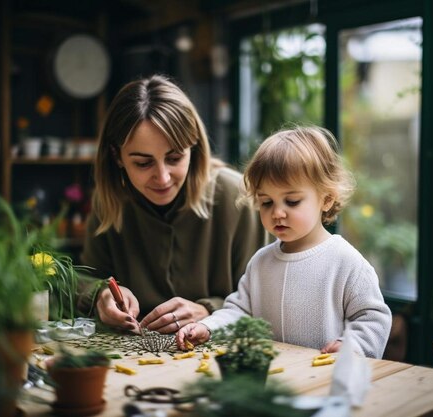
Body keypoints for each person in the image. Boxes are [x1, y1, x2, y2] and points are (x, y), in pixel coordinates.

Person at [176, 126, 392, 358]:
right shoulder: (261, 261)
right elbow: (239, 311)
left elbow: (373, 318)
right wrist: (208, 327)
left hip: (324, 380)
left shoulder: (346, 262)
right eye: (267, 202)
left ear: (326, 199)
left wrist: (353, 346)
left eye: (292, 201)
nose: (277, 212)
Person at [77, 75, 267, 334]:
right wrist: (101, 296)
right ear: (116, 156)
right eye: (143, 163)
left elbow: (264, 301)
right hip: (136, 361)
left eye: (175, 158)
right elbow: (85, 279)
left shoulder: (237, 198)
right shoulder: (109, 201)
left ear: (194, 147)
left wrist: (209, 311)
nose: (163, 178)